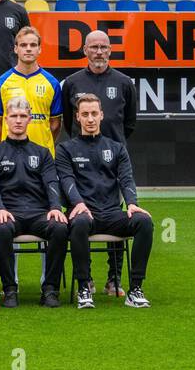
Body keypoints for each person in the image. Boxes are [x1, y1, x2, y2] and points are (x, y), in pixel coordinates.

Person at [58, 28, 139, 297]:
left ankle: (114, 279)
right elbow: (69, 122)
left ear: (110, 50)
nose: (99, 52)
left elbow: (129, 122)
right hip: (81, 158)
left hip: (112, 159)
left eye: (104, 47)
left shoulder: (125, 82)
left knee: (116, 212)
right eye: (93, 47)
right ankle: (87, 279)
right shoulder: (71, 82)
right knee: (83, 217)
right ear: (84, 50)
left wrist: (111, 147)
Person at [57, 94, 153, 309]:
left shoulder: (117, 148)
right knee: (79, 222)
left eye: (94, 114)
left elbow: (126, 177)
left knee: (144, 222)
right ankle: (84, 286)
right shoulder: (65, 149)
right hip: (83, 214)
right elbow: (66, 180)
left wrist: (132, 203)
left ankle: (135, 289)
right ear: (77, 118)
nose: (90, 119)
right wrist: (78, 203)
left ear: (101, 115)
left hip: (111, 213)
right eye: (85, 114)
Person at [0, 97, 69, 308]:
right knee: (0, 229)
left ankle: (50, 289)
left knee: (60, 228)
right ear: (5, 120)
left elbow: (51, 183)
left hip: (39, 213)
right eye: (13, 116)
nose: (18, 121)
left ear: (30, 119)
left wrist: (55, 207)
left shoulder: (43, 152)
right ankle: (10, 289)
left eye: (22, 116)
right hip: (9, 213)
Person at [0, 25, 62, 152]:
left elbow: (55, 124)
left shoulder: (52, 83)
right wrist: (7, 147)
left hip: (43, 156)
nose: (28, 49)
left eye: (33, 45)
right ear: (16, 49)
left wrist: (43, 144)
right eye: (23, 45)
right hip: (10, 155)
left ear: (39, 49)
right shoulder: (1, 83)